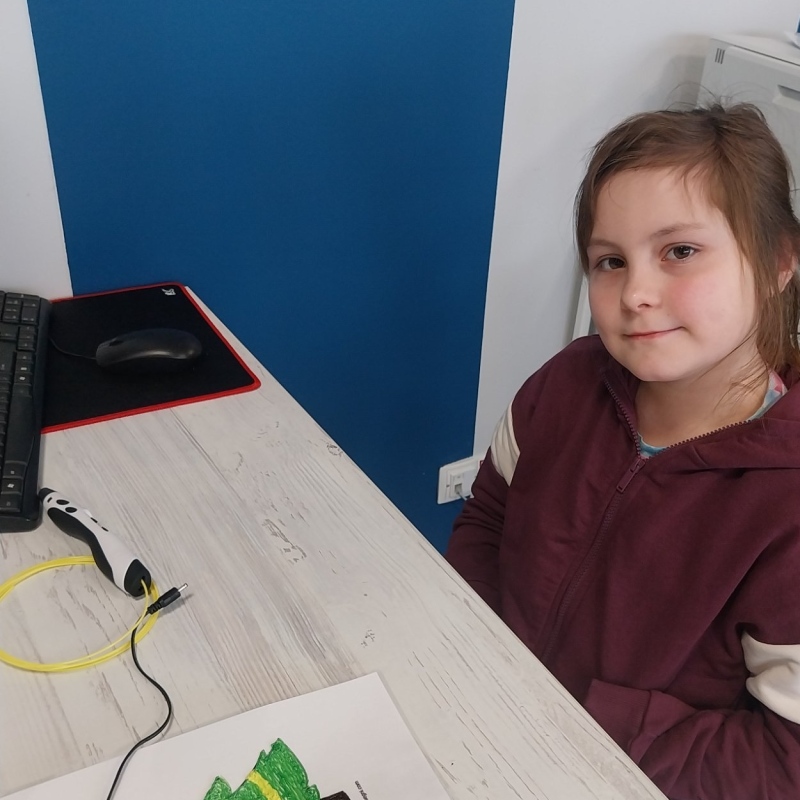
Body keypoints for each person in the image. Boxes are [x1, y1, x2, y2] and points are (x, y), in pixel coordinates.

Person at [445, 103, 800, 800]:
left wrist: (591, 721)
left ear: (778, 263)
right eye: (610, 261)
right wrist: (482, 656)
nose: (635, 293)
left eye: (680, 252)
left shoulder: (786, 503)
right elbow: (487, 518)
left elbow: (786, 760)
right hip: (483, 725)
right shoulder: (561, 386)